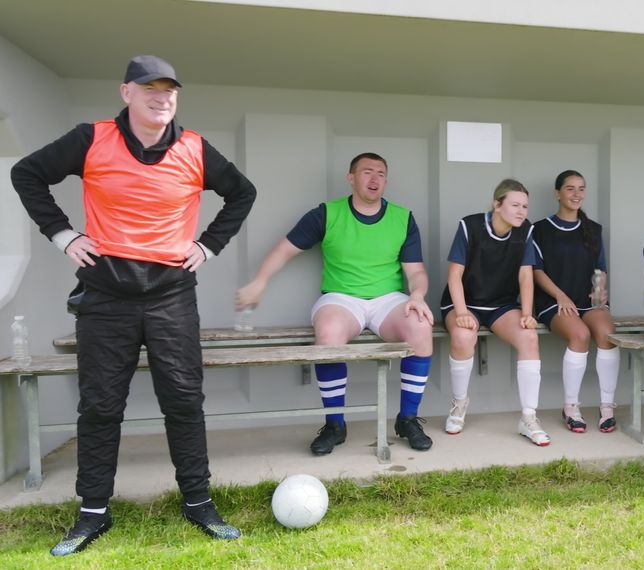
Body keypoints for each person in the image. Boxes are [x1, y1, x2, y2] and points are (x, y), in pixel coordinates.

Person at [10, 55, 256, 555]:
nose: (162, 98)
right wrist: (62, 235)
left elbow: (242, 194)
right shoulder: (91, 139)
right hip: (105, 296)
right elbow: (27, 173)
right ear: (127, 93)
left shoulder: (194, 148)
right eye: (150, 89)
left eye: (170, 91)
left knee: (183, 400)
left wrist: (208, 246)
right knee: (101, 405)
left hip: (171, 295)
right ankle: (92, 513)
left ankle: (198, 503)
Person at [235, 152, 435, 455]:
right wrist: (260, 281)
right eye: (367, 172)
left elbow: (416, 271)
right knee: (328, 334)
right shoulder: (327, 214)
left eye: (381, 173)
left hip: (387, 299)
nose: (374, 179)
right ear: (351, 178)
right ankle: (334, 424)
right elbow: (284, 249)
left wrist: (417, 295)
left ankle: (407, 419)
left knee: (420, 324)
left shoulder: (402, 218)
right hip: (342, 297)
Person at [440, 179, 549, 446]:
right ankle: (459, 404)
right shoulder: (470, 225)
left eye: (525, 206)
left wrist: (527, 313)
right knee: (464, 335)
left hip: (501, 305)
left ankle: (528, 418)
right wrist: (461, 312)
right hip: (464, 302)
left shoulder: (526, 230)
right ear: (497, 205)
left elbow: (525, 276)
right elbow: (454, 275)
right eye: (515, 205)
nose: (521, 211)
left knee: (529, 336)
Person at [532, 170, 620, 433]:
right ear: (557, 193)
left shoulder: (593, 229)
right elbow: (536, 270)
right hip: (554, 301)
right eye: (570, 188)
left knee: (607, 333)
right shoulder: (540, 229)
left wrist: (600, 293)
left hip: (587, 300)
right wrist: (560, 296)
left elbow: (600, 268)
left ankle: (607, 407)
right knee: (580, 334)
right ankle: (571, 406)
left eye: (581, 188)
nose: (576, 194)